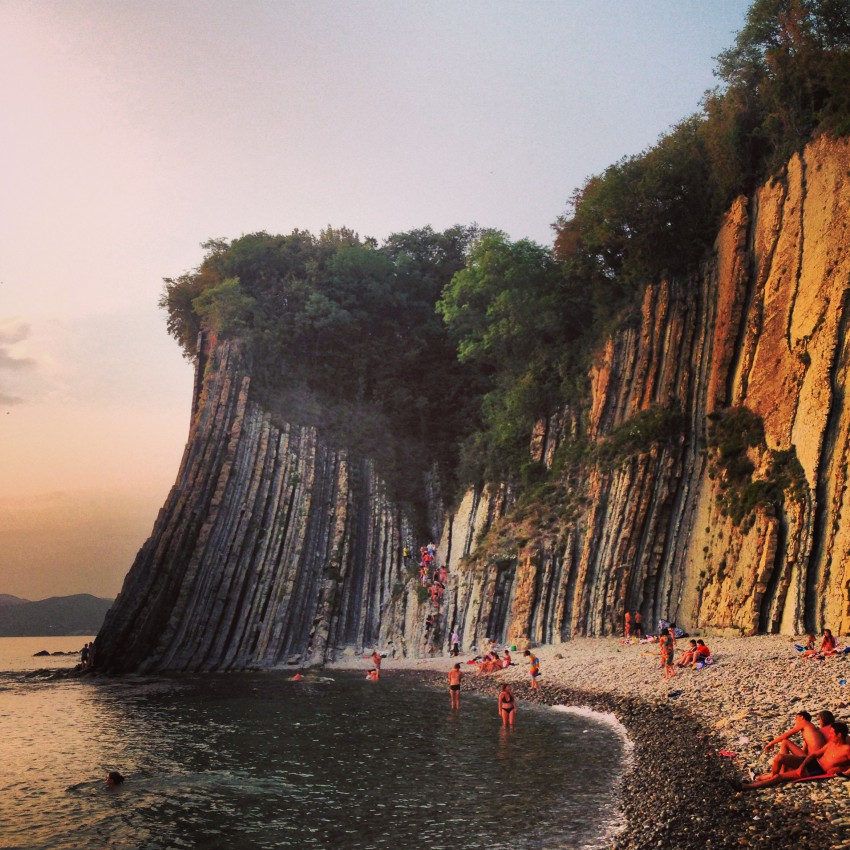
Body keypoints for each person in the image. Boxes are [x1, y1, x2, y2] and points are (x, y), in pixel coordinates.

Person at [736, 722, 850, 789]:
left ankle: (747, 787)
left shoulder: (847, 749)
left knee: (780, 777)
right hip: (811, 763)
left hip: (817, 770)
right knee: (779, 758)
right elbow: (814, 754)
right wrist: (802, 766)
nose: (829, 734)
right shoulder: (831, 744)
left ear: (839, 735)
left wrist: (843, 772)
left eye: (832, 733)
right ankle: (768, 778)